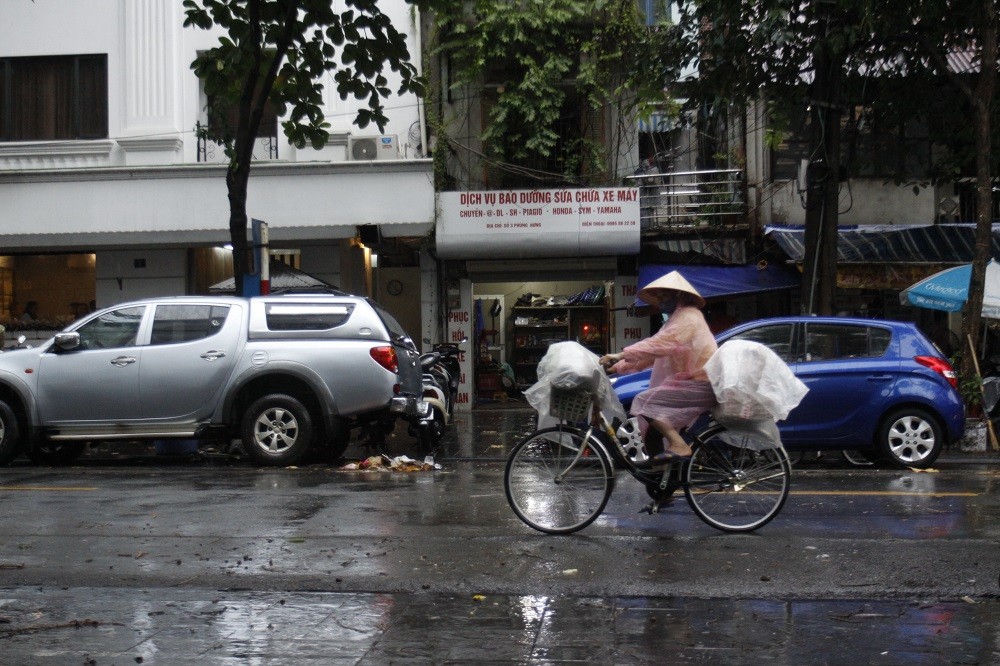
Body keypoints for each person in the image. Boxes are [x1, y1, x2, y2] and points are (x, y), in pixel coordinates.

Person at [600, 271, 717, 465]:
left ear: (678, 295)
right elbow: (652, 354)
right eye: (659, 297)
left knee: (644, 402)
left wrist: (621, 354)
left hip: (698, 384)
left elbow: (658, 344)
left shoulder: (689, 317)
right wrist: (616, 367)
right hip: (689, 384)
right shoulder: (675, 320)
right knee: (653, 434)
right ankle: (663, 481)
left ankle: (679, 446)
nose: (661, 301)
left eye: (664, 296)